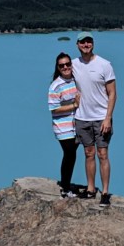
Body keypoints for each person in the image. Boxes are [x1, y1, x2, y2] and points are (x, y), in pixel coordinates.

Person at [71, 31, 116, 207]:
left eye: (88, 42)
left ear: (93, 44)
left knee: (102, 154)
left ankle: (104, 192)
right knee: (88, 153)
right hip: (82, 117)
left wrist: (108, 118)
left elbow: (112, 94)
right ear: (77, 45)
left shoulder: (105, 65)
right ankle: (91, 189)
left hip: (101, 118)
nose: (86, 45)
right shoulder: (73, 65)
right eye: (82, 42)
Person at [47, 52, 81, 198]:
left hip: (76, 124)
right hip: (62, 126)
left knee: (71, 155)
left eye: (68, 64)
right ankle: (65, 188)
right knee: (69, 154)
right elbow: (54, 108)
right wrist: (74, 105)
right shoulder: (55, 85)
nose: (66, 67)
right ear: (58, 67)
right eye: (62, 65)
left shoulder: (76, 80)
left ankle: (66, 184)